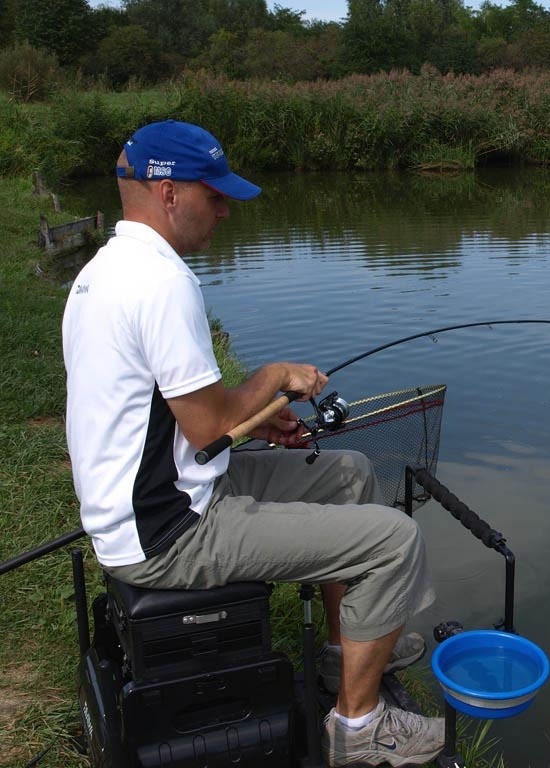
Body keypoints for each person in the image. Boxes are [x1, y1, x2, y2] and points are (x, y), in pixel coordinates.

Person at [61, 119, 445, 768]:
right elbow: (209, 426)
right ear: (169, 192)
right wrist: (270, 380)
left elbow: (182, 418)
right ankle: (360, 730)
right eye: (215, 195)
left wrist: (256, 418)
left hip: (157, 498)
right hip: (167, 534)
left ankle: (338, 661)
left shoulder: (104, 270)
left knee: (349, 473)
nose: (225, 210)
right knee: (396, 540)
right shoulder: (161, 282)